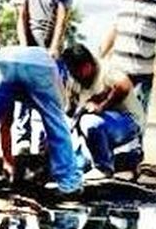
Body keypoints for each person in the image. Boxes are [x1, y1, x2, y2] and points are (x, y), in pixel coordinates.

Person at [0, 46, 82, 195]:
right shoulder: (56, 75)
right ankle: (69, 183)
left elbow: (4, 124)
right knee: (55, 122)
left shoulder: (10, 88)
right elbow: (56, 125)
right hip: (39, 66)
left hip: (0, 63)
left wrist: (8, 159)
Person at [62, 44, 145, 179]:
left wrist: (102, 105)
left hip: (129, 121)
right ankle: (130, 159)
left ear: (87, 65)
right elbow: (70, 112)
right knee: (79, 165)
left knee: (89, 122)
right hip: (104, 126)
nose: (75, 75)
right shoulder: (74, 80)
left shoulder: (106, 69)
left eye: (78, 70)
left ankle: (103, 168)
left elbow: (125, 85)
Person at [13, 0, 74, 154]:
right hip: (31, 45)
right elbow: (22, 16)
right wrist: (25, 48)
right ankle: (22, 141)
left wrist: (54, 48)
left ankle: (46, 144)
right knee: (23, 96)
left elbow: (62, 18)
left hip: (51, 50)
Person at [100, 0, 156, 119]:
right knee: (110, 114)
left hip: (141, 77)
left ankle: (137, 139)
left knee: (137, 119)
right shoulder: (124, 0)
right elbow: (114, 31)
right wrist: (99, 57)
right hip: (117, 73)